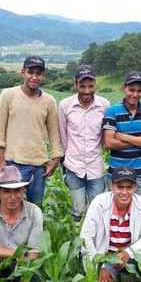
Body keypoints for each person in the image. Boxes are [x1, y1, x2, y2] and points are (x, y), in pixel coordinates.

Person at [80, 166, 141, 282]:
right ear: (112, 186)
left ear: (135, 187)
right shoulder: (99, 203)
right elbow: (86, 237)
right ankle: (113, 279)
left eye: (129, 187)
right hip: (106, 258)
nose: (124, 192)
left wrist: (128, 252)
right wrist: (99, 267)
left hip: (130, 256)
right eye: (120, 187)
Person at [0, 55, 63, 206]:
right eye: (30, 72)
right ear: (23, 72)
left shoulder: (49, 101)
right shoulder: (8, 95)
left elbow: (53, 132)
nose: (34, 77)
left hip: (39, 166)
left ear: (43, 76)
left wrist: (56, 159)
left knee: (35, 208)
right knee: (10, 207)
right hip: (13, 163)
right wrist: (1, 161)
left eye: (39, 73)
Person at [58, 65, 111, 223]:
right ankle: (77, 240)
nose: (87, 91)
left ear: (95, 84)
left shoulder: (104, 105)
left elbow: (104, 135)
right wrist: (66, 161)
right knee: (78, 207)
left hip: (95, 166)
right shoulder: (65, 105)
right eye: (82, 86)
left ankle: (96, 241)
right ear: (75, 84)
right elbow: (63, 136)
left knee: (98, 207)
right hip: (74, 166)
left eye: (90, 86)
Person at [102, 71, 141, 197]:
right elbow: (109, 143)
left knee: (137, 213)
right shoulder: (112, 111)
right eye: (131, 90)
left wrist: (122, 136)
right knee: (115, 213)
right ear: (124, 88)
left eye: (139, 91)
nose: (135, 94)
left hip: (140, 174)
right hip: (116, 173)